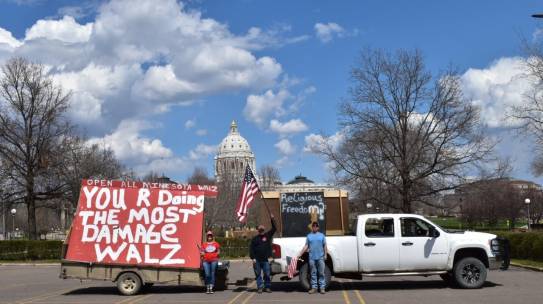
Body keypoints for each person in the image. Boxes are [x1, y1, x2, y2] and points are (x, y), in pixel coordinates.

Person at [297, 221, 328, 294]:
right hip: (312, 258)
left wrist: (325, 254)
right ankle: (314, 288)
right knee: (313, 273)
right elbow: (306, 246)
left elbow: (325, 245)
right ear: (312, 227)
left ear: (318, 227)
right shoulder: (309, 236)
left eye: (316, 226)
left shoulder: (322, 235)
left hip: (320, 257)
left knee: (321, 273)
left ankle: (322, 288)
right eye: (313, 226)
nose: (315, 227)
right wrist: (300, 253)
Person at [249, 214, 277, 293]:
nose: (261, 231)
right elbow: (251, 249)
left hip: (265, 260)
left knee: (267, 274)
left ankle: (267, 287)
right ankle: (260, 287)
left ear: (264, 230)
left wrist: (272, 219)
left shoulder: (267, 236)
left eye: (262, 230)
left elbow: (274, 228)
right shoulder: (255, 239)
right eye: (260, 230)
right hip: (257, 260)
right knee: (258, 275)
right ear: (258, 230)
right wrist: (253, 258)